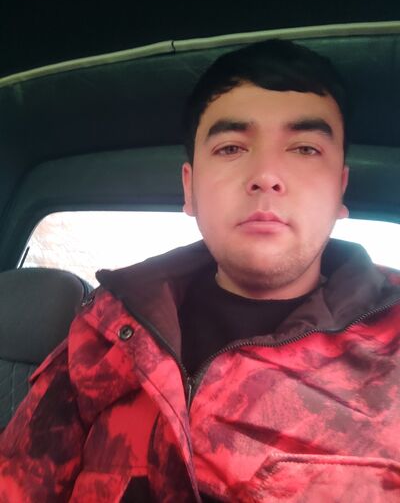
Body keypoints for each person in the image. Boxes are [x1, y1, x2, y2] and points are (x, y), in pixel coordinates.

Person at [1, 39, 400, 502]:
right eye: (231, 147)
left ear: (339, 189)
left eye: (306, 149)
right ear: (189, 189)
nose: (266, 175)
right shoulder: (105, 327)